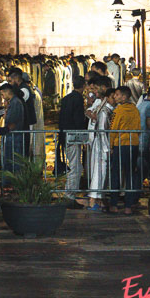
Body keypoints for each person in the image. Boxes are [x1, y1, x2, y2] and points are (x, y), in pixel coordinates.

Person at [106, 86, 141, 215]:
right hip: (134, 143)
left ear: (124, 97)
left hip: (120, 144)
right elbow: (138, 127)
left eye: (117, 95)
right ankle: (128, 206)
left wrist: (110, 146)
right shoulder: (135, 110)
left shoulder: (118, 110)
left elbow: (113, 129)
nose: (115, 97)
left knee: (116, 174)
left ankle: (114, 204)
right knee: (130, 174)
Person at [57, 76, 86, 207]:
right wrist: (84, 137)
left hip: (65, 135)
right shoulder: (78, 99)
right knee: (75, 166)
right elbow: (78, 120)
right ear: (84, 86)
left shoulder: (66, 98)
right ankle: (70, 195)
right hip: (74, 136)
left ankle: (70, 193)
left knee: (74, 165)